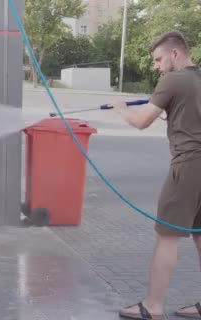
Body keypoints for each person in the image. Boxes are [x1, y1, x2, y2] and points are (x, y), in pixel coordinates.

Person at [112, 31, 201, 320]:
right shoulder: (197, 78)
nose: (156, 66)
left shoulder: (173, 80)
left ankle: (153, 306)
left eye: (159, 59)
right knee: (200, 236)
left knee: (166, 236)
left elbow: (141, 121)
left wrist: (121, 109)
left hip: (188, 166)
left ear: (176, 54)